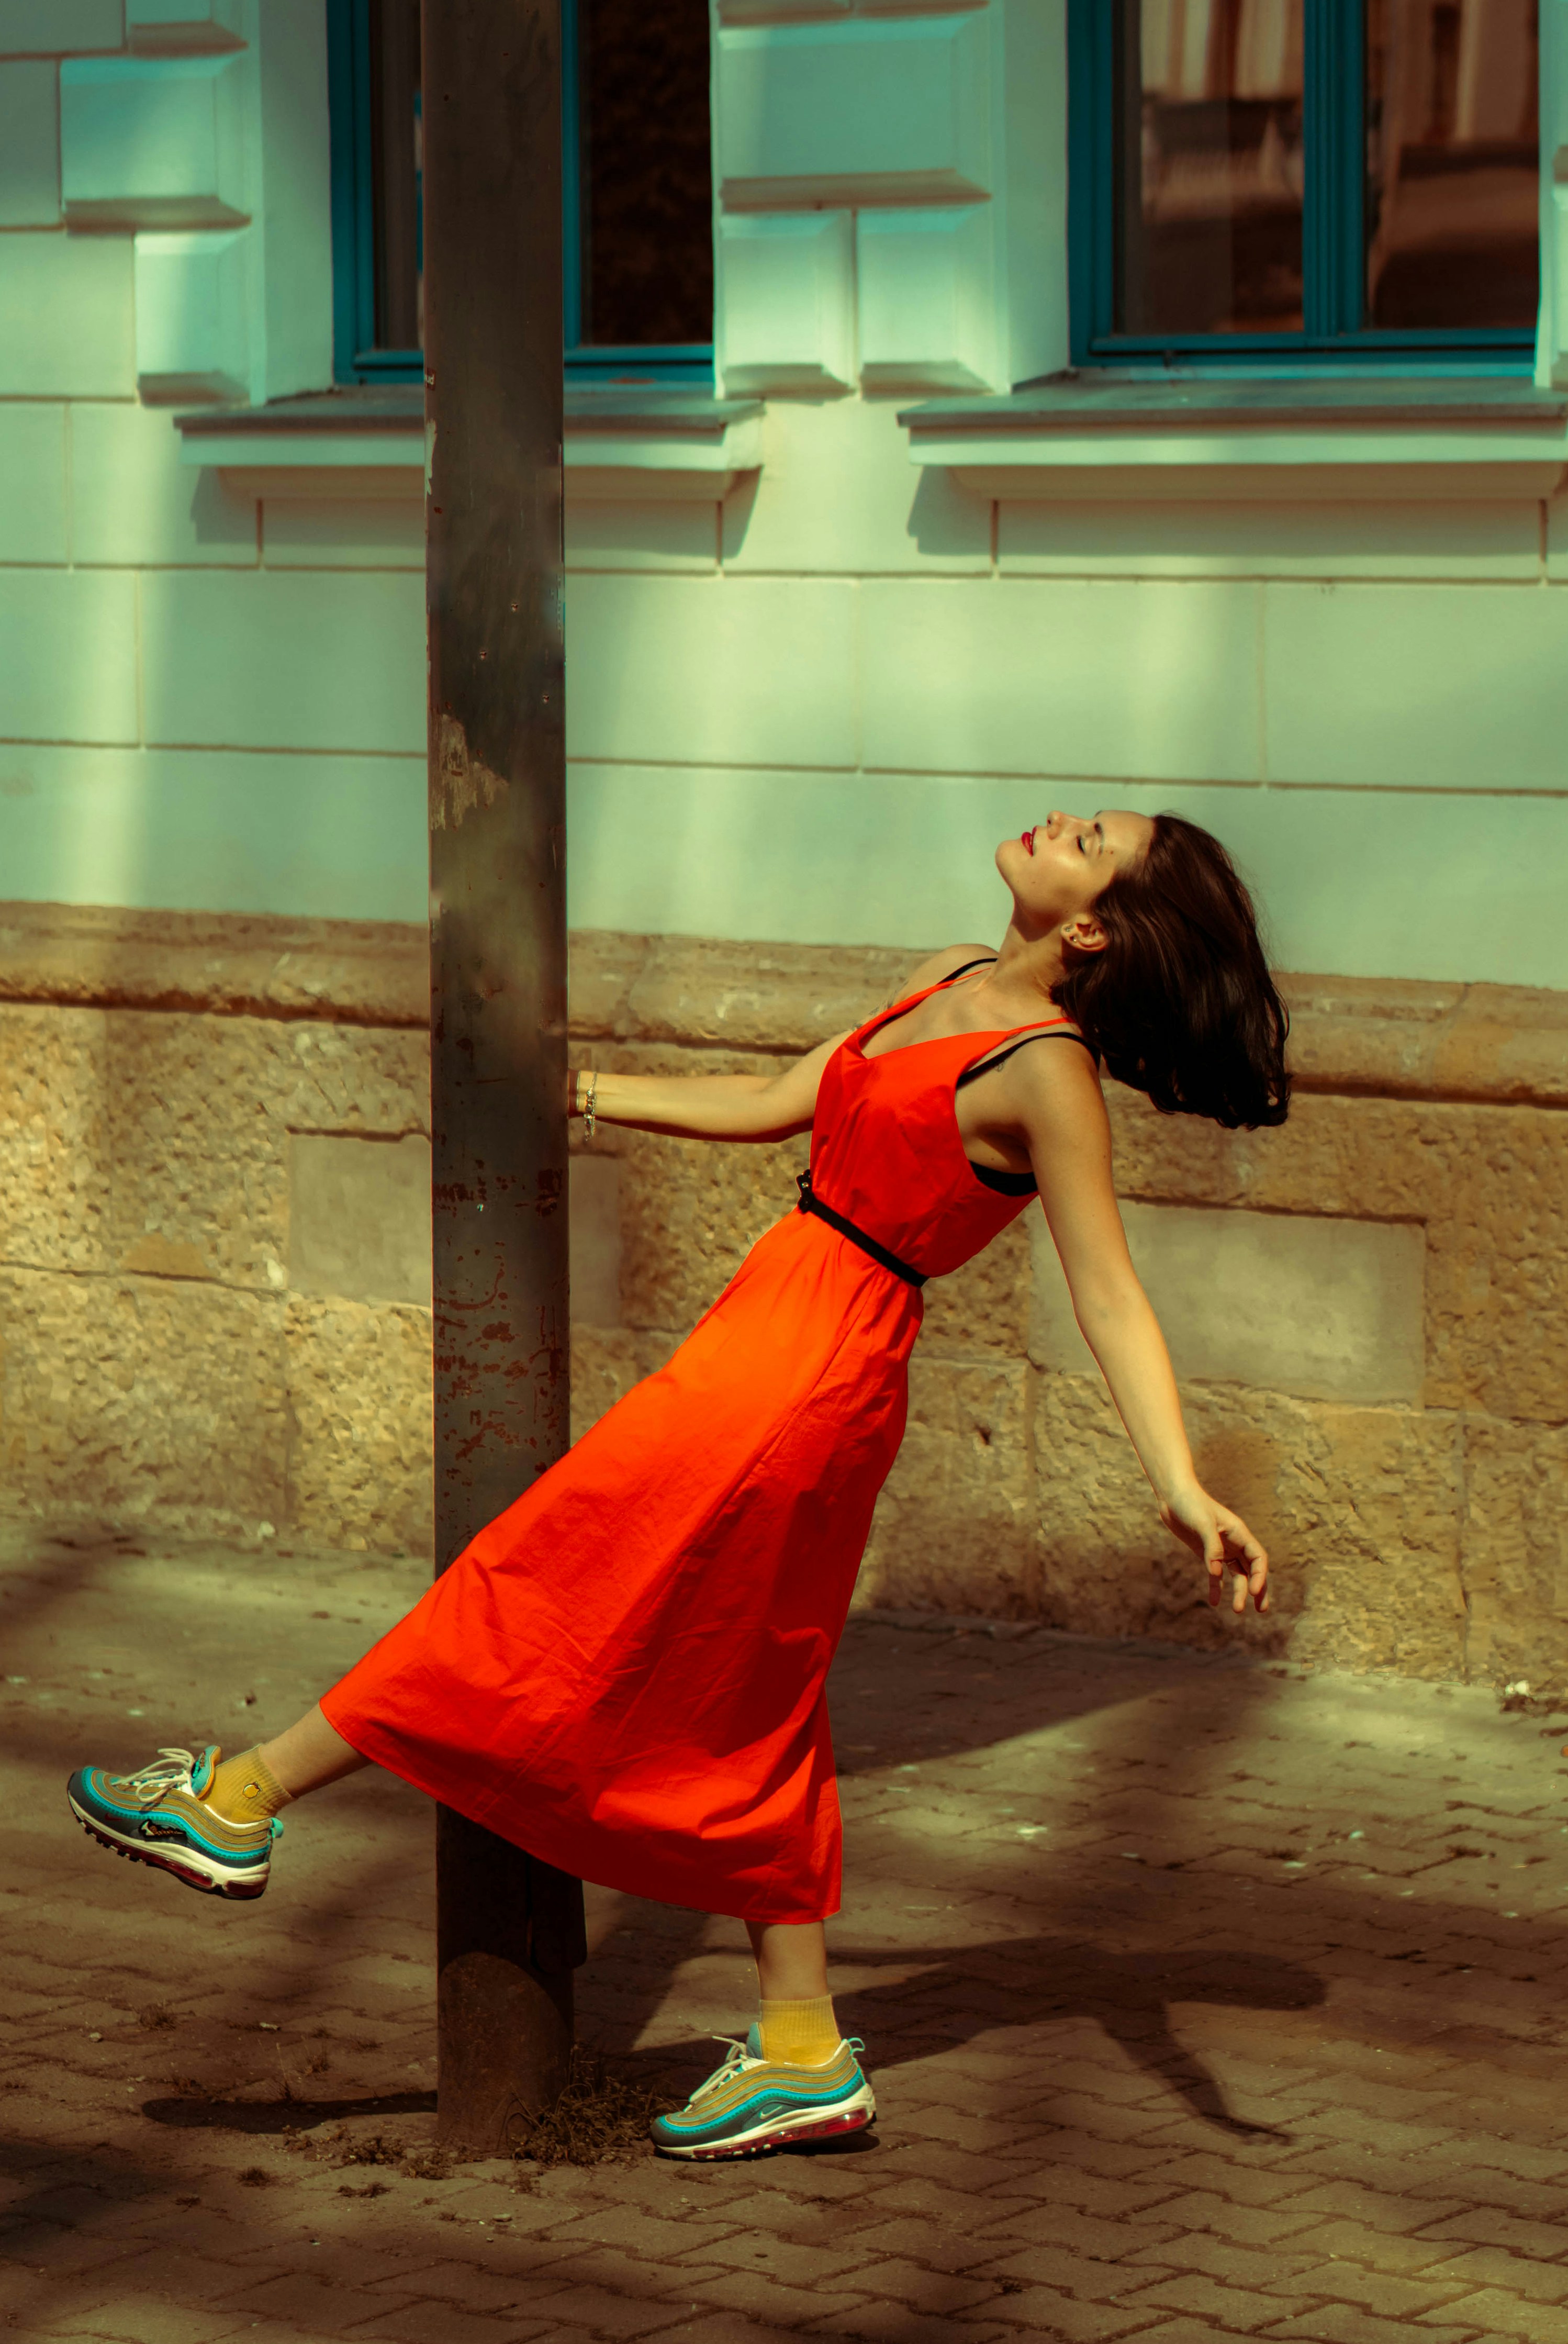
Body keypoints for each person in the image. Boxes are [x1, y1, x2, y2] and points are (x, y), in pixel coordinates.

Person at [67, 809, 1290, 2160]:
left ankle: (240, 1802)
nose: (1059, 818)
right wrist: (578, 1096)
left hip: (814, 1372)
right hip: (779, 1324)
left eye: (1093, 835)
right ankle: (805, 2047)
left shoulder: (1047, 1072)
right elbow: (778, 1101)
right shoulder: (946, 974)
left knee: (539, 1577)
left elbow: (1107, 1293)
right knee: (752, 1687)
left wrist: (1177, 1479)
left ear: (1095, 923)